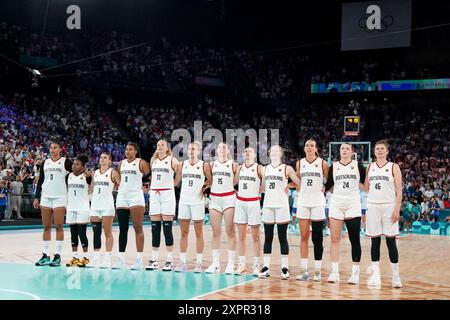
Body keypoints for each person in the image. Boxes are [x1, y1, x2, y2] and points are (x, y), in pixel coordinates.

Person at [324, 143, 366, 284]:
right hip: (336, 204)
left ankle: (355, 273)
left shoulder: (358, 165)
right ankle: (334, 272)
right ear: (339, 151)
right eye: (342, 148)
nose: (345, 150)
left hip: (353, 204)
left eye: (347, 148)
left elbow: (366, 184)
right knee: (335, 239)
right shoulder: (334, 166)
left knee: (354, 239)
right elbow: (328, 186)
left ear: (352, 152)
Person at [365, 140, 403, 288]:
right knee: (374, 242)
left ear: (387, 151)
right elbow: (366, 188)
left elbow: (399, 190)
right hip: (373, 206)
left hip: (389, 206)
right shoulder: (370, 167)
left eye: (382, 148)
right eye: (377, 148)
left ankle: (396, 277)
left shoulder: (393, 167)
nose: (380, 150)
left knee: (390, 242)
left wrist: (396, 209)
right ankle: (376, 276)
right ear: (374, 152)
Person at [258, 145, 300, 279]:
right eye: (272, 151)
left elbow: (299, 182)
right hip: (268, 205)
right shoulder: (265, 169)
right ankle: (265, 267)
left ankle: (285, 268)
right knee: (268, 238)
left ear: (281, 153)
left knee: (282, 237)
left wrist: (289, 185)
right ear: (269, 154)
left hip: (282, 206)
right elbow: (262, 187)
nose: (275, 152)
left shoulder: (287, 168)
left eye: (277, 151)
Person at [174, 141, 212, 273]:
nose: (191, 151)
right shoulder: (181, 165)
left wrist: (205, 186)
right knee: (183, 233)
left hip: (197, 202)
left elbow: (210, 180)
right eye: (189, 149)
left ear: (199, 151)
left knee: (198, 233)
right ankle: (182, 262)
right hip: (184, 202)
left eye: (194, 149)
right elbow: (176, 182)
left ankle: (199, 262)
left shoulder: (204, 165)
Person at [33, 141, 73, 267]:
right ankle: (45, 255)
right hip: (45, 196)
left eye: (55, 148)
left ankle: (58, 255)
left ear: (60, 149)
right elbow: (41, 180)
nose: (52, 150)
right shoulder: (45, 162)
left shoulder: (66, 162)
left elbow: (74, 176)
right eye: (51, 148)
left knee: (59, 226)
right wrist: (36, 196)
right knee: (46, 226)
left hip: (60, 197)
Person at [295, 139, 329, 282]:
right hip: (303, 201)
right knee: (303, 236)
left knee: (317, 237)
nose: (309, 148)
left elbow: (328, 180)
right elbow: (297, 181)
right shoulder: (299, 163)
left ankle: (318, 270)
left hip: (317, 202)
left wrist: (325, 187)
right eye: (307, 145)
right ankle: (304, 271)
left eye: (312, 146)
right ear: (304, 149)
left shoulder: (323, 163)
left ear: (316, 148)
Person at [114, 142, 150, 270]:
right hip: (122, 196)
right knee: (122, 229)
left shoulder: (141, 163)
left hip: (136, 196)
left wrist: (146, 187)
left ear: (135, 151)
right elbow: (118, 177)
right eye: (126, 149)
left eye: (130, 149)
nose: (127, 151)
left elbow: (149, 175)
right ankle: (120, 259)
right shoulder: (121, 163)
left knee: (137, 228)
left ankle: (139, 260)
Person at [146, 139, 179, 271]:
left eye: (163, 145)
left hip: (167, 195)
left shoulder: (172, 160)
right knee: (155, 229)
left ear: (167, 148)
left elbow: (180, 171)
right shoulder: (153, 160)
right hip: (154, 195)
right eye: (158, 145)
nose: (160, 146)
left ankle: (169, 260)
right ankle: (153, 259)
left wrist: (175, 183)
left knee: (167, 229)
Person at [205, 142, 239, 274]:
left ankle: (230, 263)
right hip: (215, 198)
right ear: (216, 150)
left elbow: (236, 181)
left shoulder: (233, 165)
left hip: (229, 198)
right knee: (215, 232)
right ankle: (215, 263)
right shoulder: (212, 165)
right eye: (219, 147)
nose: (222, 149)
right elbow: (209, 181)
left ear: (228, 150)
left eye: (224, 147)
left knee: (230, 231)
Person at [234, 147, 263, 275]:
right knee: (241, 237)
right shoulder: (239, 168)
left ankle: (256, 265)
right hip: (240, 202)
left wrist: (260, 190)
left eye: (250, 151)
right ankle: (241, 265)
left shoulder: (259, 168)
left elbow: (266, 181)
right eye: (245, 151)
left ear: (255, 154)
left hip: (253, 202)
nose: (247, 153)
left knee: (255, 237)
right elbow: (233, 182)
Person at [89, 152, 120, 268]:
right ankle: (96, 258)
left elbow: (120, 186)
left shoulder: (113, 172)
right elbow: (91, 189)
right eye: (101, 157)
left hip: (107, 205)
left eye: (105, 157)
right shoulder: (95, 173)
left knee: (107, 232)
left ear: (110, 161)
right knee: (96, 233)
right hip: (95, 206)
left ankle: (107, 258)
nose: (102, 159)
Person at [66, 155, 92, 267]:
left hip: (83, 208)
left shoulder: (87, 176)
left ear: (82, 167)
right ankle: (75, 257)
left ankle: (86, 257)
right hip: (71, 207)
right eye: (73, 163)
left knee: (82, 233)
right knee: (73, 234)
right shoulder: (68, 176)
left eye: (77, 164)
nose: (74, 166)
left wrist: (89, 173)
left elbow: (91, 180)